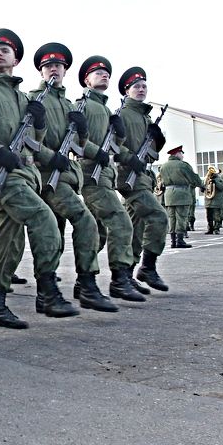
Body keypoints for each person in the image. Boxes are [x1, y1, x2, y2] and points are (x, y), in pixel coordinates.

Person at [0, 29, 75, 328]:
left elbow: (32, 141)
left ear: (15, 59)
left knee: (8, 241)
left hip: (25, 173)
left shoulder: (21, 97)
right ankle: (46, 292)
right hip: (1, 175)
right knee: (44, 218)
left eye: (5, 50)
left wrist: (40, 123)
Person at [24, 43, 117, 312]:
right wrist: (49, 156)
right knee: (85, 222)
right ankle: (83, 286)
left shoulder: (67, 104)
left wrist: (84, 133)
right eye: (48, 66)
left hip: (67, 176)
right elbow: (26, 139)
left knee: (56, 234)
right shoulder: (33, 99)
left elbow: (77, 144)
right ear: (41, 71)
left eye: (58, 65)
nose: (53, 69)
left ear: (65, 70)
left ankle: (52, 290)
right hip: (46, 175)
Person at [76, 57, 146, 302]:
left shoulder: (105, 109)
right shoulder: (83, 106)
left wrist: (119, 135)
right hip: (90, 175)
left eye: (106, 72)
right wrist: (99, 152)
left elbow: (113, 149)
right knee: (120, 221)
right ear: (86, 79)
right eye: (97, 72)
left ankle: (83, 281)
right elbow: (76, 141)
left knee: (98, 233)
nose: (104, 75)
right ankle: (119, 279)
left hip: (105, 175)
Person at [114, 67, 169, 293]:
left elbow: (151, 152)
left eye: (144, 86)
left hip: (143, 176)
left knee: (135, 227)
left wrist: (158, 139)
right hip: (129, 177)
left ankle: (127, 275)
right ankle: (148, 267)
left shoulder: (144, 116)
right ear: (127, 90)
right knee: (158, 216)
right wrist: (130, 158)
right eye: (136, 86)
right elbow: (113, 145)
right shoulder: (122, 115)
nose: (141, 89)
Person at [159, 145, 204, 248]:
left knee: (172, 218)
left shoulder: (163, 166)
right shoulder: (182, 165)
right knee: (181, 217)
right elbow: (194, 178)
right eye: (181, 153)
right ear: (177, 154)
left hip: (169, 194)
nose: (182, 156)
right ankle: (180, 240)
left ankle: (173, 241)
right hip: (181, 194)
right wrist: (202, 185)